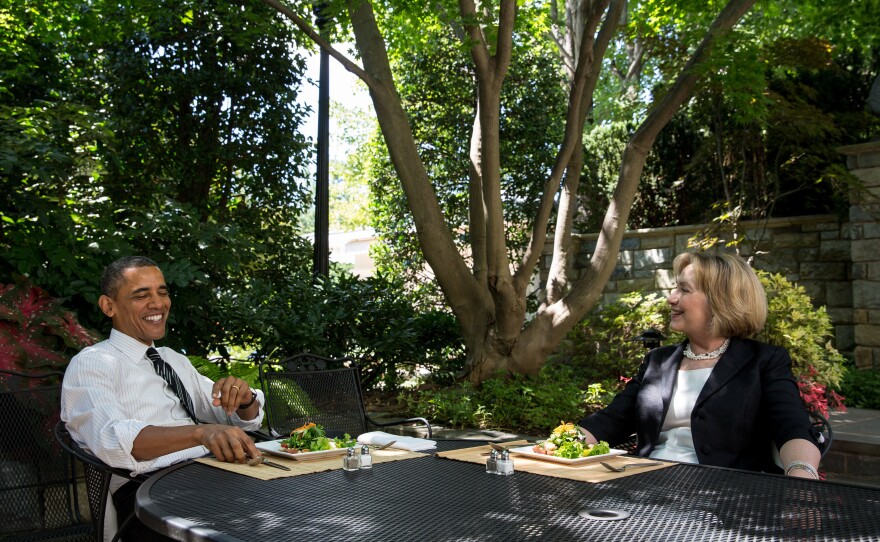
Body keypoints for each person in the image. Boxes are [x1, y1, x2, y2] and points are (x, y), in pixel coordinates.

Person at [61, 256, 266, 541]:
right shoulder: (93, 363)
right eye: (141, 295)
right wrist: (200, 433)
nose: (158, 303)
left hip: (213, 474)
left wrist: (243, 400)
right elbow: (113, 440)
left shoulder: (172, 360)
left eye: (162, 292)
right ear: (109, 306)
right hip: (148, 495)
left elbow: (230, 416)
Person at [578, 251, 822, 479]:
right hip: (646, 487)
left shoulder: (765, 361)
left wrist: (802, 481)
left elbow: (793, 429)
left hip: (725, 499)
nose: (671, 298)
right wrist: (557, 444)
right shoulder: (658, 360)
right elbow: (610, 421)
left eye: (684, 290)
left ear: (720, 300)